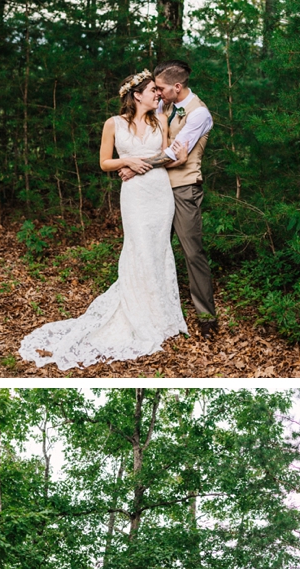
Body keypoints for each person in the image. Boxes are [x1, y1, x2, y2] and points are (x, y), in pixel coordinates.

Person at [19, 70, 189, 370]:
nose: (157, 94)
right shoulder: (113, 124)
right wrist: (126, 162)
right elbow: (103, 162)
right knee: (138, 248)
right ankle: (137, 311)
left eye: (157, 91)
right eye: (152, 90)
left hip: (159, 193)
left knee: (159, 248)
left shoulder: (160, 120)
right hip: (134, 195)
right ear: (136, 95)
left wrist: (147, 163)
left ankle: (161, 315)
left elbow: (167, 156)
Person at [120, 59, 218, 339]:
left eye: (161, 88)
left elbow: (174, 155)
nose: (158, 93)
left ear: (177, 86)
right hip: (154, 191)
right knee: (152, 249)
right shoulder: (163, 105)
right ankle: (149, 310)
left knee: (192, 252)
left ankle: (206, 317)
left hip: (184, 189)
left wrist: (135, 165)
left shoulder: (199, 114)